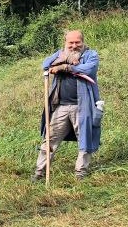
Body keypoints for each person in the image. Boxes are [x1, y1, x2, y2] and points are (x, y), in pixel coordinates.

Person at [32, 30, 102, 181]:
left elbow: (88, 69)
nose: (74, 45)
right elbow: (45, 64)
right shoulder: (60, 53)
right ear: (66, 43)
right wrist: (66, 59)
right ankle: (39, 172)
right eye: (71, 43)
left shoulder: (90, 55)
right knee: (50, 139)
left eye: (77, 42)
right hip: (61, 107)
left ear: (82, 42)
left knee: (85, 139)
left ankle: (80, 173)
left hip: (83, 106)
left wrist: (65, 67)